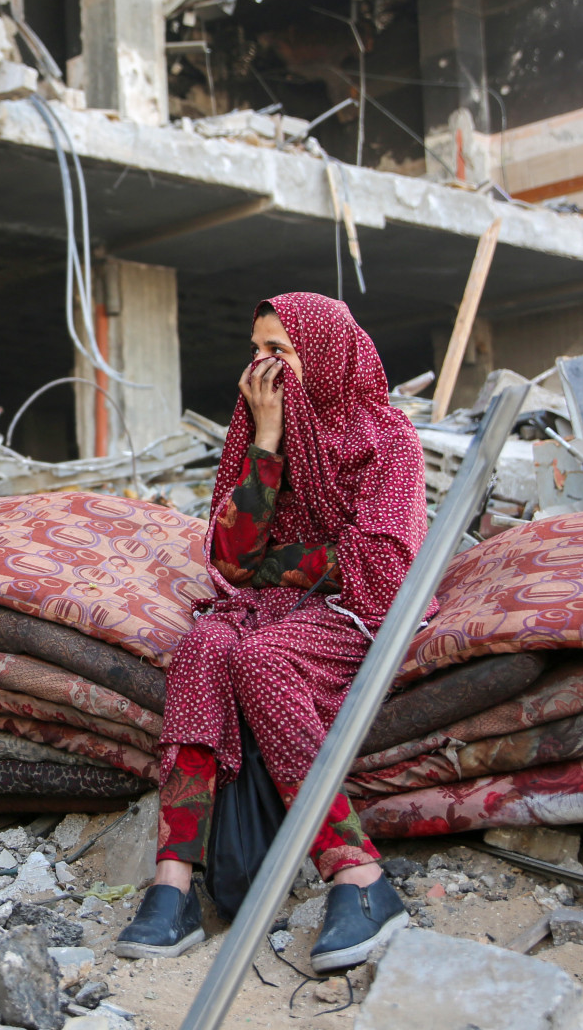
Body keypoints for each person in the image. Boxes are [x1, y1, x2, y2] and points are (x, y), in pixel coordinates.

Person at [114, 292, 428, 972]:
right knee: (202, 647)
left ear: (323, 356)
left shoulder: (386, 438)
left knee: (258, 658)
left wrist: (273, 572)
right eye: (257, 350)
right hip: (277, 607)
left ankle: (358, 875)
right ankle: (174, 884)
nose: (262, 367)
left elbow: (378, 566)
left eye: (279, 351)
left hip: (356, 614)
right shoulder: (256, 429)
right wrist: (265, 443)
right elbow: (231, 560)